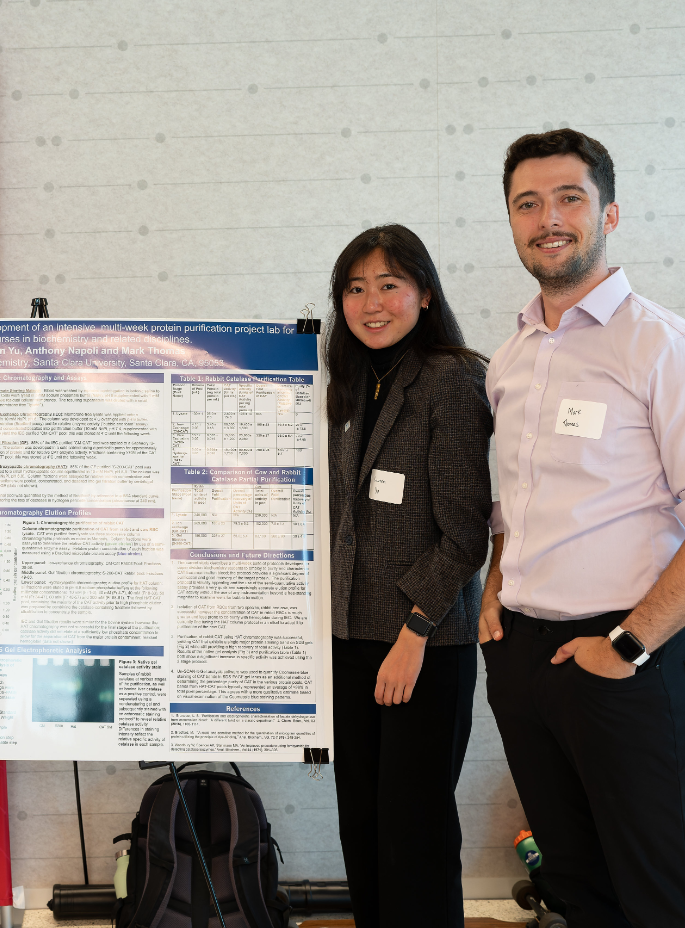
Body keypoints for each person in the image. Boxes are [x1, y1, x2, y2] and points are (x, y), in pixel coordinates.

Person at [479, 129, 685, 924]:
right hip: (524, 660)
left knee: (657, 883)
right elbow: (518, 500)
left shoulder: (657, 345)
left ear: (610, 213)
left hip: (626, 655)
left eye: (569, 198)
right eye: (527, 203)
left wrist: (629, 645)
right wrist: (496, 590)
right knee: (573, 884)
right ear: (512, 222)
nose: (548, 218)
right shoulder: (511, 357)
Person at [326, 225, 493, 927]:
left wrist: (414, 631)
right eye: (356, 288)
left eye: (389, 284)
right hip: (349, 637)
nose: (371, 302)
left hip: (423, 644)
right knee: (362, 827)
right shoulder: (348, 382)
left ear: (424, 294)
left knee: (414, 833)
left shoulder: (452, 380)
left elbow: (466, 533)